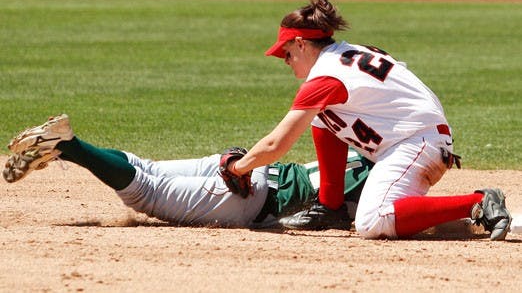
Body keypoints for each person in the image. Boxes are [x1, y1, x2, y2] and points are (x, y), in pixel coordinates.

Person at [224, 0, 511, 240]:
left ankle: (480, 202)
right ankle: (330, 205)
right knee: (322, 116)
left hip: (416, 143)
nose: (286, 62)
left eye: (286, 54)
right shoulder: (349, 53)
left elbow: (277, 144)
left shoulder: (326, 76)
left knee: (373, 221)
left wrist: (238, 168)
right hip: (412, 138)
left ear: (300, 43)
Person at [3, 114, 372, 229]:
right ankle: (68, 146)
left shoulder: (365, 155)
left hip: (254, 170)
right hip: (252, 199)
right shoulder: (379, 182)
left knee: (144, 168)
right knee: (146, 192)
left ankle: (64, 147)